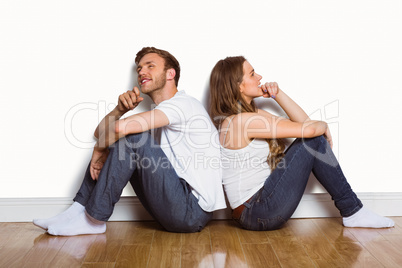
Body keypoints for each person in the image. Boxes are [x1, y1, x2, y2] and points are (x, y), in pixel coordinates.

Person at [33, 47, 226, 236]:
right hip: (178, 205)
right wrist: (119, 110)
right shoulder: (161, 112)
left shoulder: (183, 104)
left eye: (150, 66)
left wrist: (98, 150)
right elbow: (100, 132)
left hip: (191, 211)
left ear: (170, 74)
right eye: (139, 68)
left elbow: (116, 131)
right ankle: (77, 210)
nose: (142, 71)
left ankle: (94, 221)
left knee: (132, 137)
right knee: (122, 136)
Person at [208, 56, 394, 231]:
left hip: (256, 210)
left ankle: (353, 210)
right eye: (252, 74)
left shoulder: (248, 116)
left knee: (313, 139)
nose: (260, 77)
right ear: (238, 86)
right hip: (257, 211)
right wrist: (324, 125)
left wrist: (278, 94)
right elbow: (311, 130)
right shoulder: (241, 121)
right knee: (313, 140)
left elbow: (305, 124)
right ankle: (353, 210)